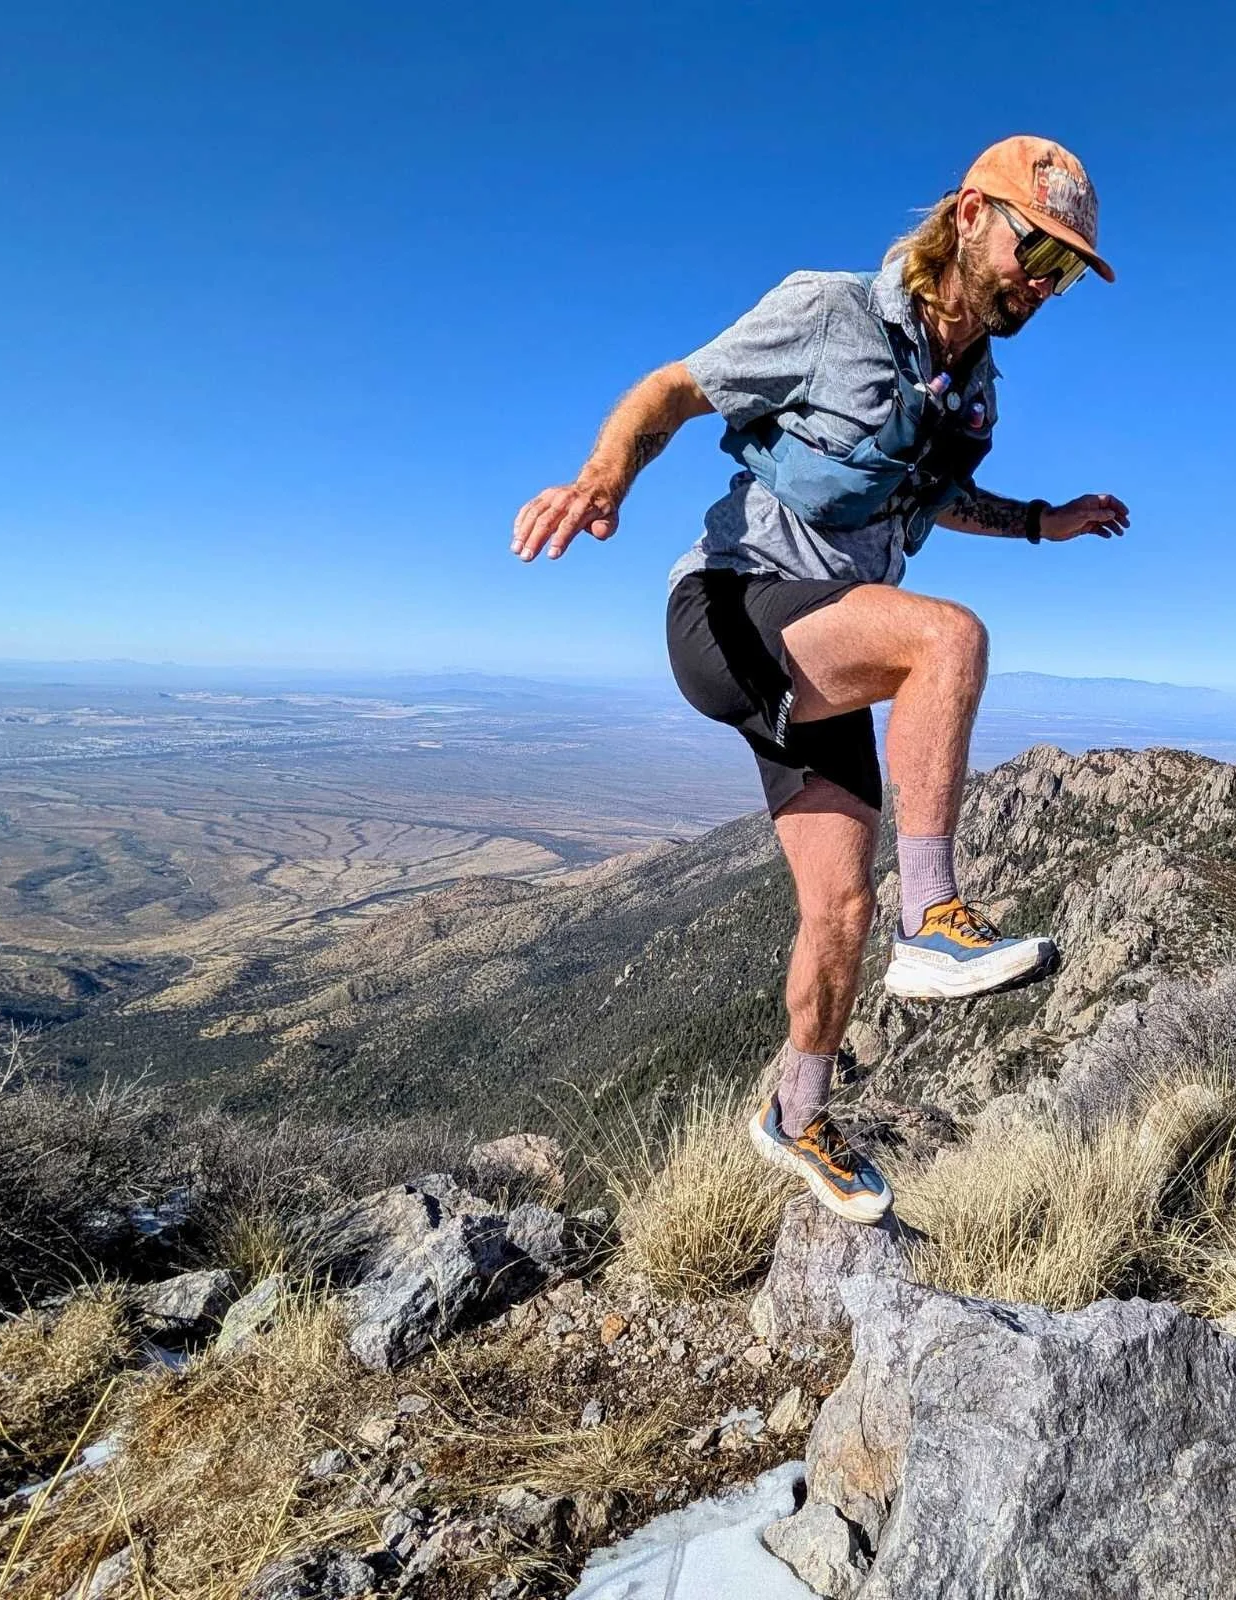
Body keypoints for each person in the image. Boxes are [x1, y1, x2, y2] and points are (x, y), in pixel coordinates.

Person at [512, 136, 1128, 1224]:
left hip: (830, 642)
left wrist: (1041, 522)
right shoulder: (829, 313)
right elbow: (672, 389)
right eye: (1037, 246)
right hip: (735, 606)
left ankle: (795, 1113)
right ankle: (934, 916)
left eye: (1067, 270)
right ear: (973, 215)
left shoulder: (972, 386)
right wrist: (599, 475)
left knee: (837, 911)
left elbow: (928, 500)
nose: (1043, 279)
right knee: (948, 639)